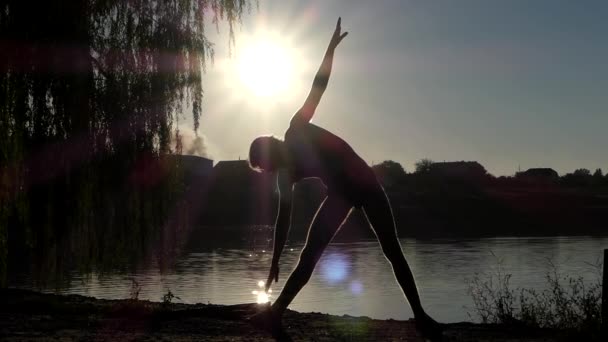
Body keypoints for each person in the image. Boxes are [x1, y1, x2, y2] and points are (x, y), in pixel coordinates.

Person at [248, 18, 442, 339]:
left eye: (268, 166)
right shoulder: (287, 173)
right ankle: (275, 314)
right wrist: (275, 262)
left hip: (363, 181)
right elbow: (283, 219)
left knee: (391, 249)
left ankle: (420, 315)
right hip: (341, 192)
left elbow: (318, 86)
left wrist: (330, 49)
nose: (272, 172)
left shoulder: (295, 128)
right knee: (311, 252)